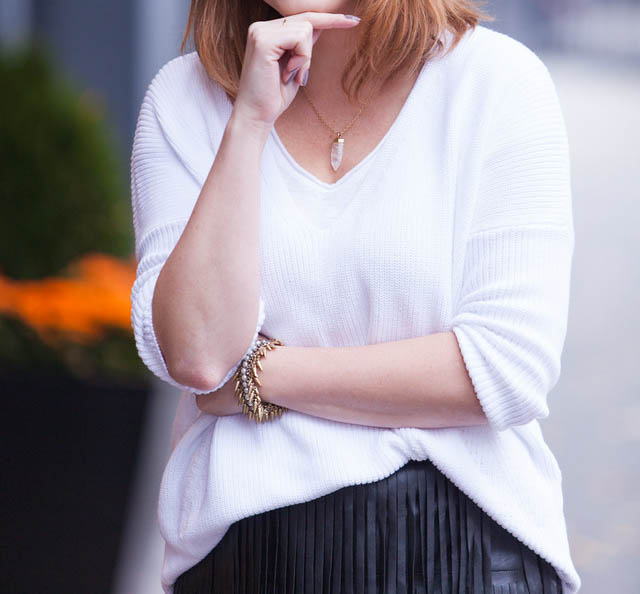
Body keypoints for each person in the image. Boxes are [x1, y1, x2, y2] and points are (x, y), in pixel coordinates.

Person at [129, 1, 582, 592]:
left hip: (467, 543)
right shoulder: (185, 99)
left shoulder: (496, 83)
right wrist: (250, 122)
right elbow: (198, 355)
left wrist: (257, 374)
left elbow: (505, 369)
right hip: (251, 556)